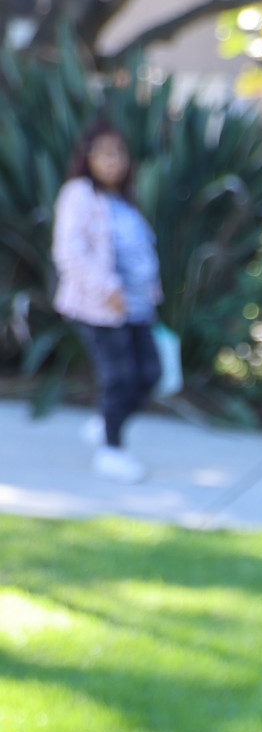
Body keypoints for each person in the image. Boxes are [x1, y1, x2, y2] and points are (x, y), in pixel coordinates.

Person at [52, 119, 162, 484]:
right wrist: (107, 289)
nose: (114, 161)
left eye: (120, 153)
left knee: (151, 374)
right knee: (120, 378)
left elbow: (141, 252)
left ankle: (105, 422)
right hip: (100, 307)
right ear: (89, 157)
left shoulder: (123, 200)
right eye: (105, 153)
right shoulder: (79, 194)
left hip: (137, 307)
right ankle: (112, 451)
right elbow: (70, 251)